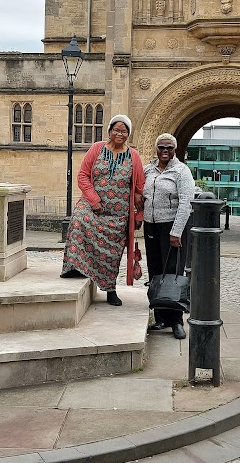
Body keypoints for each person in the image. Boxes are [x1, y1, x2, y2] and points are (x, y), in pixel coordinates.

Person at [61, 115, 145, 306]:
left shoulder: (134, 156)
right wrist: (94, 200)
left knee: (113, 251)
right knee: (78, 220)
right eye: (116, 129)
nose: (120, 134)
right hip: (93, 205)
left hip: (118, 214)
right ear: (109, 131)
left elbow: (140, 188)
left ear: (128, 134)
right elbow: (83, 175)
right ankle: (76, 267)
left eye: (124, 131)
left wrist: (139, 215)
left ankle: (110, 289)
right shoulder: (97, 148)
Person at [143, 133, 195, 339]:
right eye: (161, 148)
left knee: (173, 273)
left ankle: (176, 320)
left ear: (175, 149)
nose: (165, 151)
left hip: (171, 227)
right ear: (156, 149)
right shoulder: (148, 169)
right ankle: (161, 317)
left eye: (169, 148)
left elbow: (186, 202)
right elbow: (141, 193)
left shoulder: (182, 171)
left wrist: (176, 231)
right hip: (151, 226)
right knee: (155, 271)